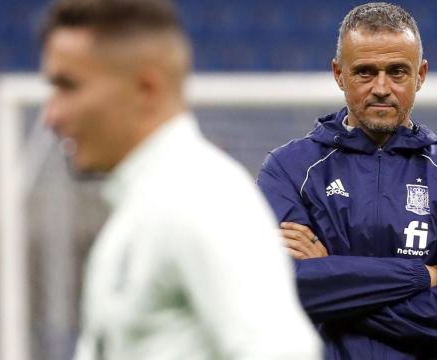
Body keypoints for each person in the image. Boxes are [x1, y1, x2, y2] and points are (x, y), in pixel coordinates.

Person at [40, 0, 322, 359]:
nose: (51, 114)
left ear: (146, 88)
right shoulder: (144, 208)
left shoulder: (202, 196)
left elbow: (283, 352)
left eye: (69, 86)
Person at [257, 2, 437, 359]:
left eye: (398, 72)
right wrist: (422, 277)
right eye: (365, 72)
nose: (382, 88)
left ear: (421, 75)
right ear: (339, 74)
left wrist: (333, 285)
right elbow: (275, 289)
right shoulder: (289, 169)